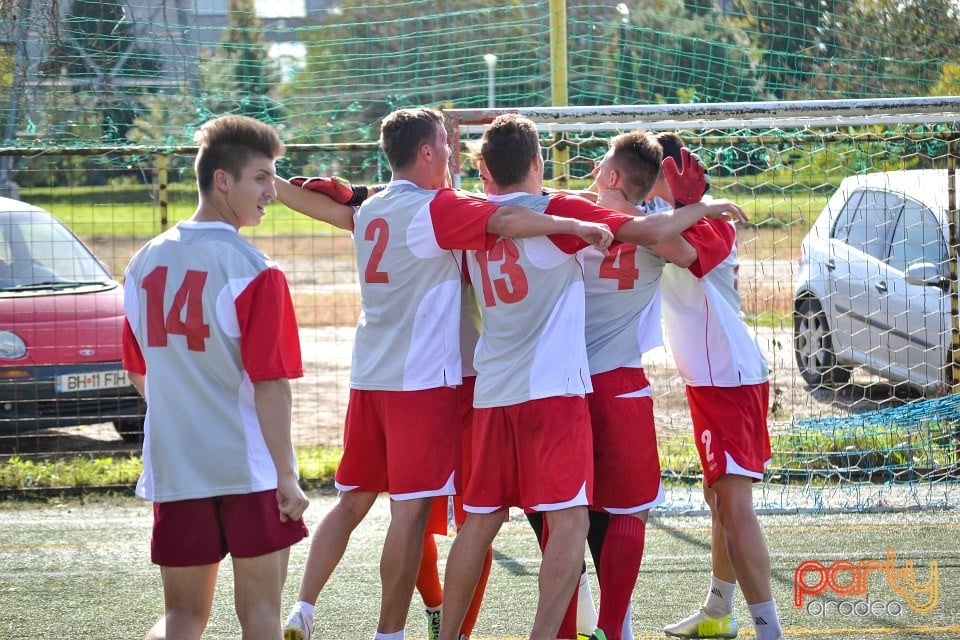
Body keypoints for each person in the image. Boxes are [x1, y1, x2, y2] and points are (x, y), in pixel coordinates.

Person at [277, 107, 615, 640]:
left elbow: (334, 208)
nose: (454, 157)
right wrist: (572, 220)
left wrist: (269, 182)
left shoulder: (371, 210)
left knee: (368, 505)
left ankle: (303, 606)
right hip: (433, 384)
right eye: (446, 146)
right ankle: (392, 632)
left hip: (370, 377)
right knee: (420, 517)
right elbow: (502, 219)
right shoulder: (440, 210)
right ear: (429, 152)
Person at [435, 114, 746, 640]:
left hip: (513, 387)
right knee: (627, 510)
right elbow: (690, 253)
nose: (593, 167)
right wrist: (701, 209)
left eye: (601, 162)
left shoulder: (523, 213)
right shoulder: (596, 223)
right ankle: (612, 627)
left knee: (532, 514)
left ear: (612, 177)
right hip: (597, 385)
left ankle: (557, 625)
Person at [121, 114, 310, 640]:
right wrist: (287, 475)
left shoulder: (142, 262)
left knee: (181, 617)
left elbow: (138, 370)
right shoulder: (255, 269)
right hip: (247, 468)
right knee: (262, 616)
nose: (272, 191)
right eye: (261, 177)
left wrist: (184, 411)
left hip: (175, 464)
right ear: (222, 180)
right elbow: (271, 383)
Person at [651, 133, 786, 640]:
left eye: (654, 173)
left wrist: (694, 206)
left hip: (727, 378)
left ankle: (768, 630)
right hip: (711, 379)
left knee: (734, 506)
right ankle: (717, 611)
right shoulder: (688, 216)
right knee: (718, 501)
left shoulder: (708, 227)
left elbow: (656, 240)